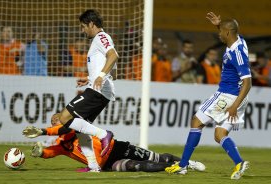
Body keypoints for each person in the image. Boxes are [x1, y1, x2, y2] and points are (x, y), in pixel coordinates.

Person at [165, 12, 251, 180]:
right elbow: (230, 31)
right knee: (219, 135)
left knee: (196, 121)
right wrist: (219, 25)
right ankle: (239, 163)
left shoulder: (237, 53)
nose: (218, 34)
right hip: (237, 97)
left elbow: (248, 83)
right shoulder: (239, 41)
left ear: (227, 33)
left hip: (228, 95)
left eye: (220, 32)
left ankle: (182, 165)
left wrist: (233, 106)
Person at [22, 113, 206, 172]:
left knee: (158, 156)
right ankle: (175, 167)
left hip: (117, 147)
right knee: (138, 166)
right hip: (108, 164)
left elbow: (63, 129)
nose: (56, 122)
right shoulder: (62, 145)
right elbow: (50, 152)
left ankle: (187, 163)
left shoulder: (74, 127)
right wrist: (40, 152)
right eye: (54, 121)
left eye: (58, 119)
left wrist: (44, 131)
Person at [58, 9, 119, 157]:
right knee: (81, 127)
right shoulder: (101, 42)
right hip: (101, 90)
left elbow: (114, 55)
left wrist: (100, 76)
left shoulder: (101, 37)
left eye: (83, 26)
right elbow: (115, 74)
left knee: (64, 117)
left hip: (98, 91)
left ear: (91, 24)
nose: (82, 30)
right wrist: (90, 77)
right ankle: (93, 166)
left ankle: (104, 135)